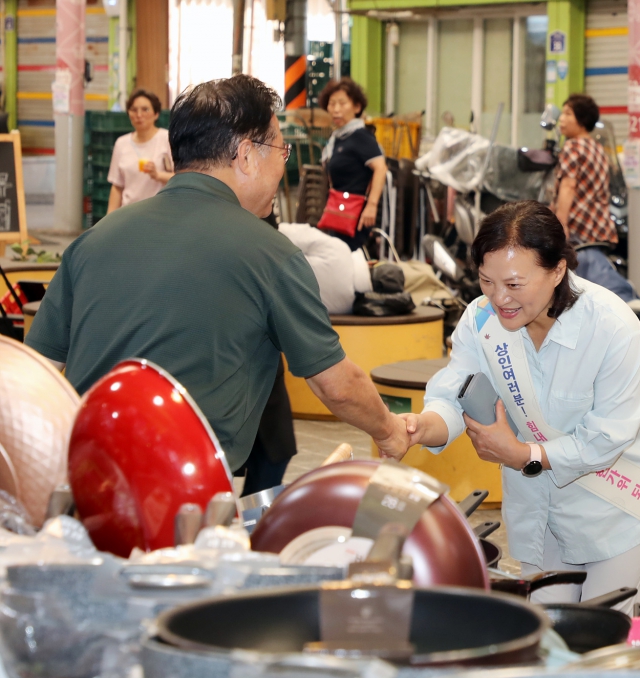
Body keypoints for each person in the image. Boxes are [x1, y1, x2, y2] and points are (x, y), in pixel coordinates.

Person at [26, 75, 410, 473]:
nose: (284, 161)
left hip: (76, 484)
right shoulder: (271, 254)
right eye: (282, 149)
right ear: (246, 155)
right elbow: (337, 385)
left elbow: (35, 374)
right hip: (177, 500)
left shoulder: (91, 241)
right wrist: (389, 431)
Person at [399, 200, 640, 614]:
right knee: (547, 637)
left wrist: (522, 454)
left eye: (514, 284)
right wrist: (420, 427)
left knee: (599, 638)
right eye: (486, 281)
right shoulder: (481, 321)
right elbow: (457, 394)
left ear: (558, 270)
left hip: (617, 508)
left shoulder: (611, 326)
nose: (498, 298)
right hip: (538, 514)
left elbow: (607, 437)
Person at [551, 93, 640, 306]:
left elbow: (568, 186)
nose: (561, 119)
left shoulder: (573, 147)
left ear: (581, 119)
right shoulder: (598, 148)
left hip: (578, 226)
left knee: (578, 284)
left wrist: (559, 223)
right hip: (599, 225)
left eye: (567, 114)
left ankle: (624, 300)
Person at [319, 77, 387, 252]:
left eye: (342, 103)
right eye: (332, 104)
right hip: (339, 212)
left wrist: (372, 206)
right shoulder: (338, 137)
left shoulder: (361, 136)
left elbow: (380, 168)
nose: (336, 109)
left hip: (357, 216)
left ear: (357, 107)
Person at [107, 89, 174, 212]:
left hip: (159, 213)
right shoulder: (121, 143)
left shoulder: (167, 139)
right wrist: (107, 221)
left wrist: (157, 175)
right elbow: (117, 186)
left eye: (145, 109)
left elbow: (180, 177)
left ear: (156, 114)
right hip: (128, 214)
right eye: (133, 110)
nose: (139, 115)